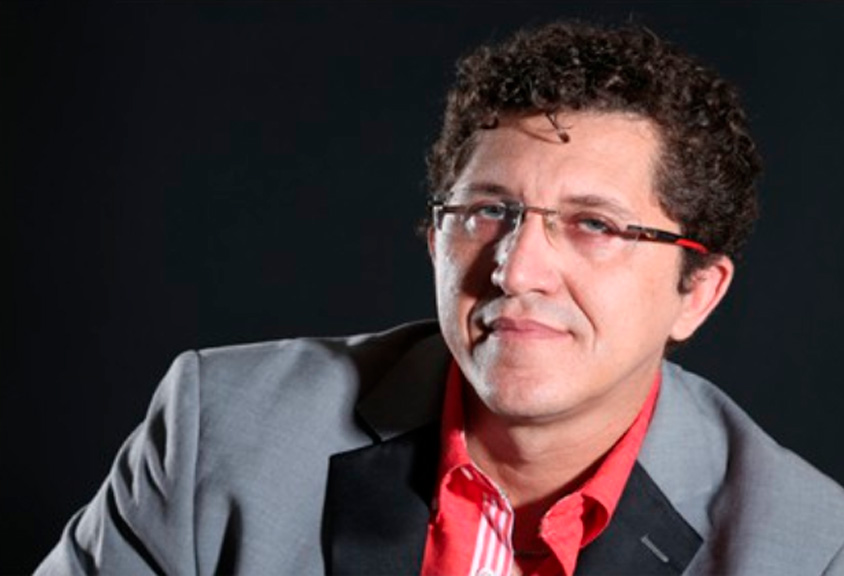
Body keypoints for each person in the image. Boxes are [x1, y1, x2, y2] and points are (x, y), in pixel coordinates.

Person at [37, 20, 844, 576]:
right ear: (434, 239)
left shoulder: (809, 552)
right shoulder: (223, 431)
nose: (517, 269)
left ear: (696, 293)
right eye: (488, 211)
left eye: (594, 225)